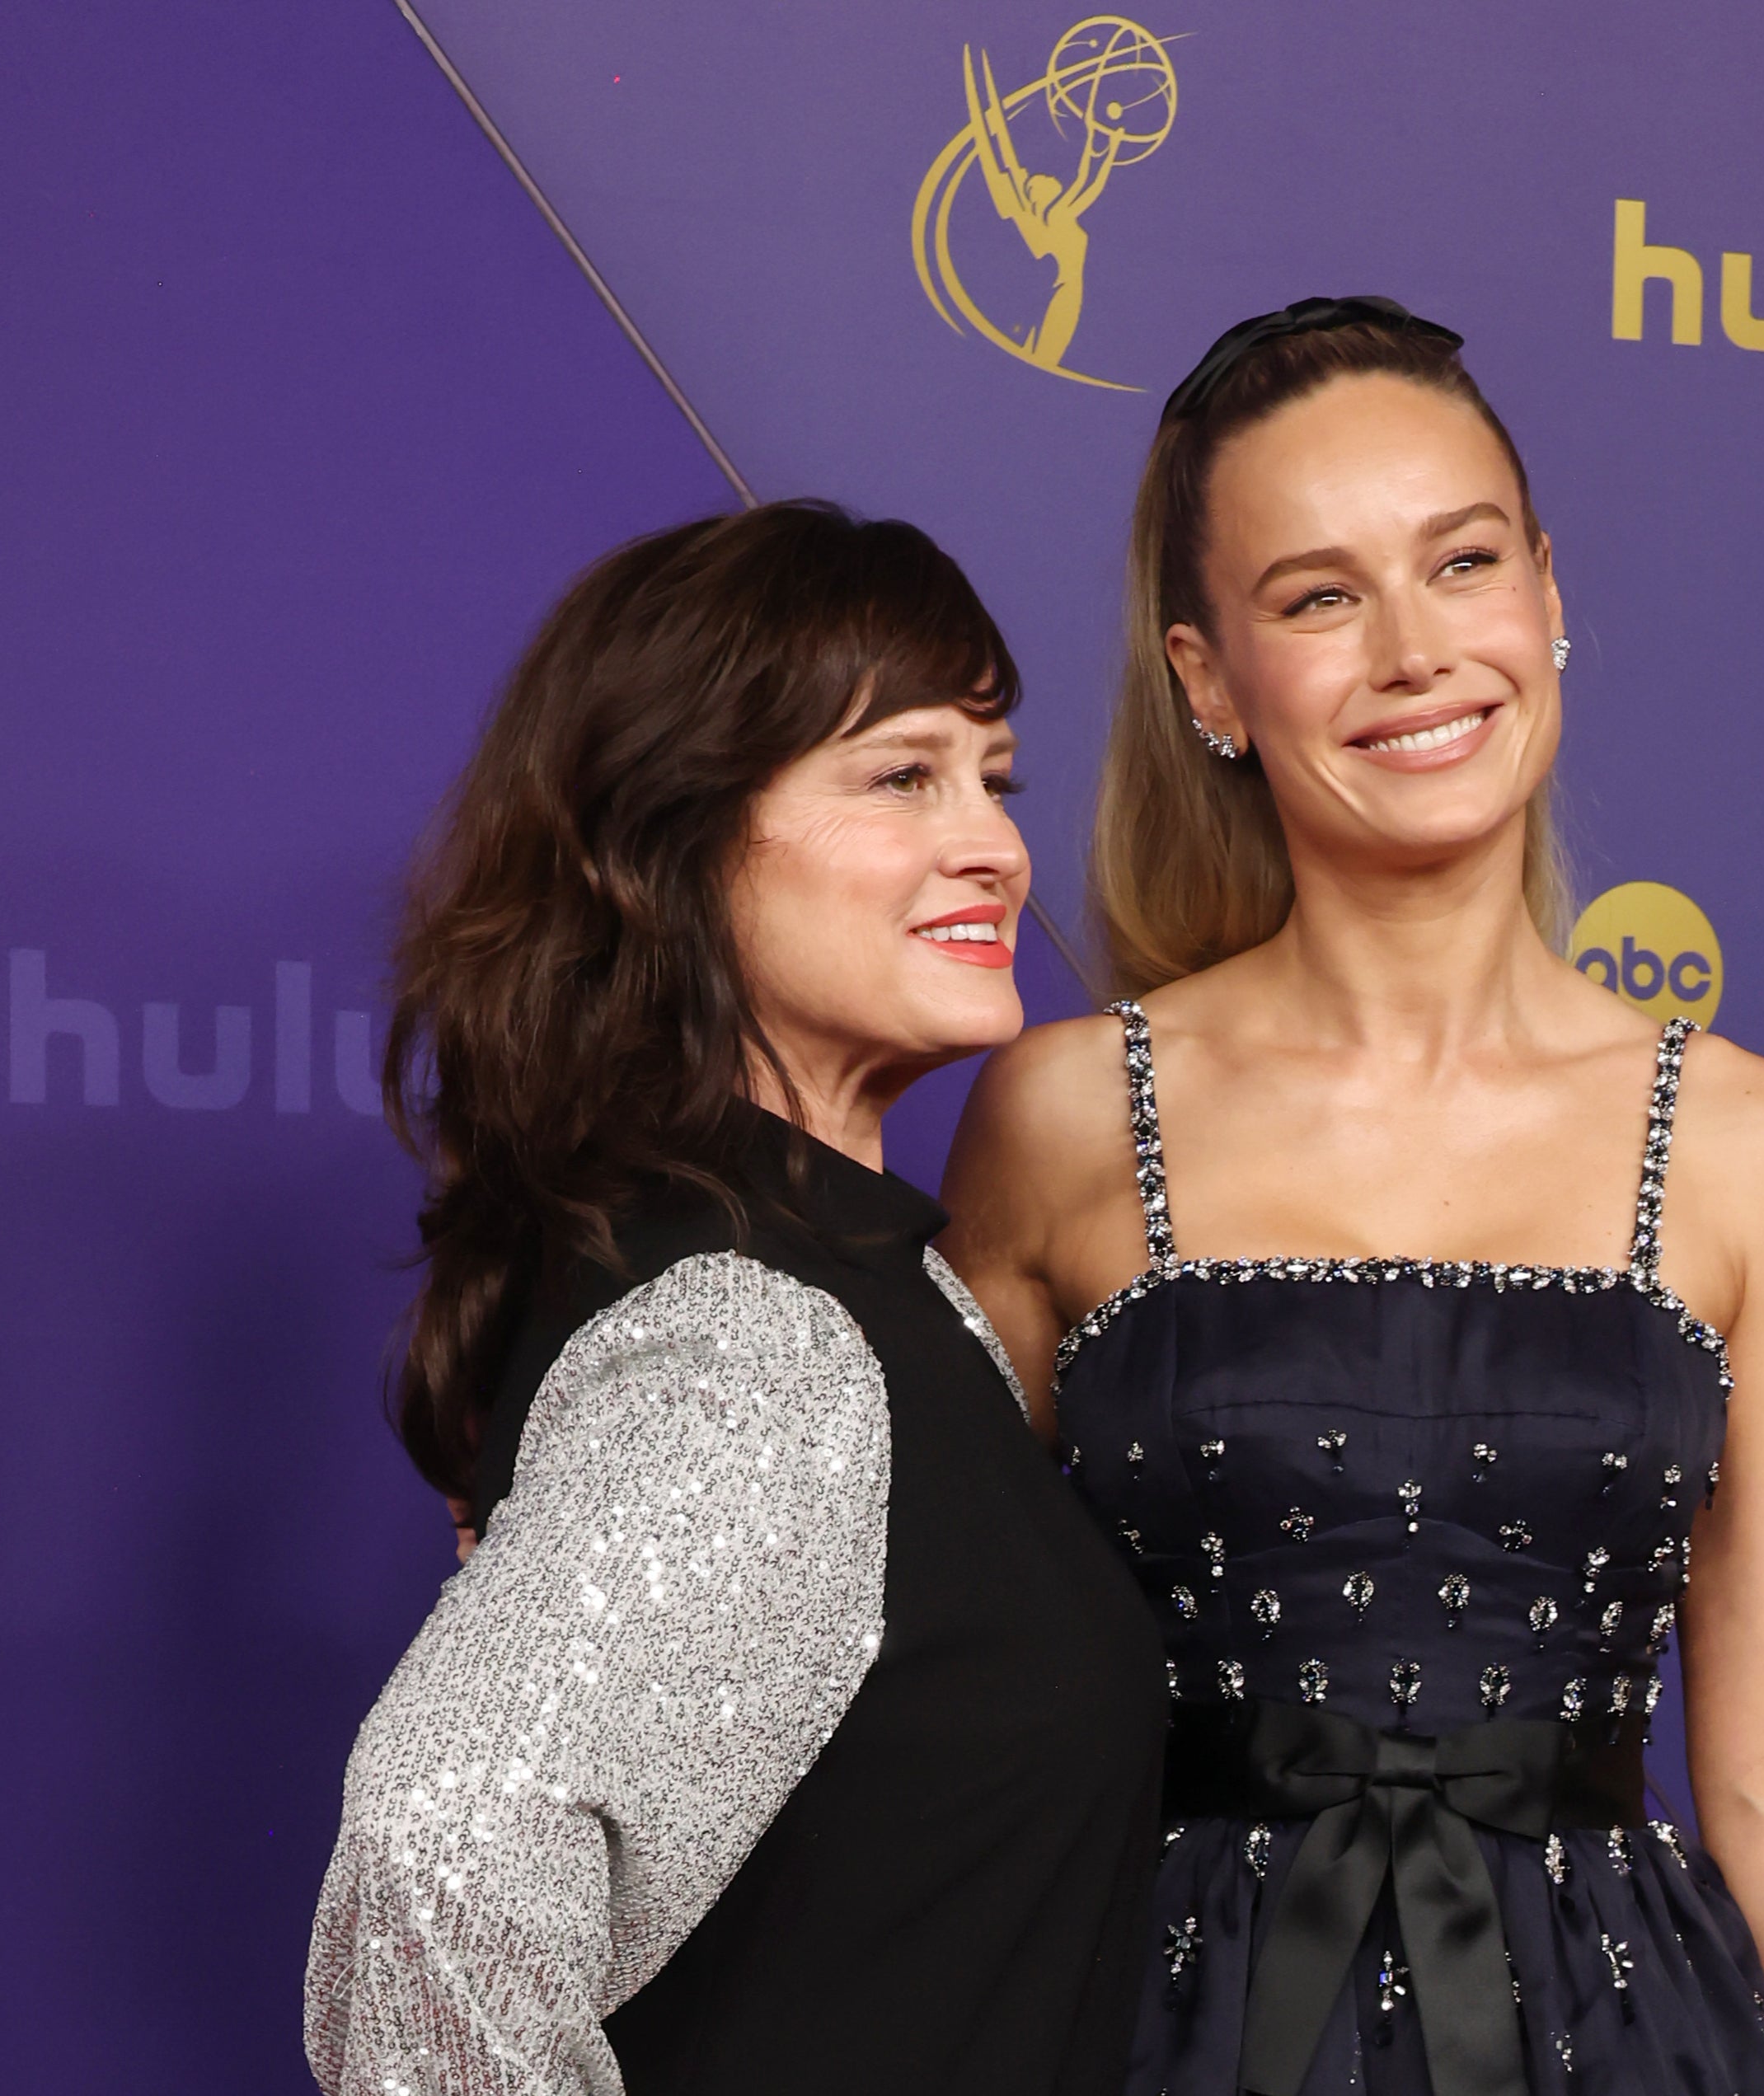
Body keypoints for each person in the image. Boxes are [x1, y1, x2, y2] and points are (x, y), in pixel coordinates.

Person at [941, 301, 1764, 2096]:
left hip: (1622, 2042)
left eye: (1458, 563)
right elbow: (939, 1675)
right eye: (1317, 598)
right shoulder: (1067, 1115)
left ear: (1544, 593)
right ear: (1208, 680)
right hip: (1162, 2033)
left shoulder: (1747, 1143)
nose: (1411, 651)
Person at [305, 502, 1165, 2096]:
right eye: (903, 775)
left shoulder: (844, 1280)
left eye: (995, 777)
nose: (993, 842)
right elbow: (437, 1867)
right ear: (675, 838)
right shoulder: (753, 1342)